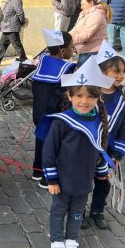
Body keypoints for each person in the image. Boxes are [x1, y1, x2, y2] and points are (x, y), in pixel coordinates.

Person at [36, 56, 115, 248]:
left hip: (83, 180)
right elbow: (49, 152)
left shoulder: (98, 122)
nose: (84, 101)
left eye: (90, 96)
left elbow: (99, 149)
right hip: (62, 180)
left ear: (97, 99)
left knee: (78, 211)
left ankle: (72, 240)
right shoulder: (61, 122)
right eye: (79, 95)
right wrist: (51, 180)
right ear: (70, 96)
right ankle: (56, 242)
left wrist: (101, 171)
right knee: (59, 211)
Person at [82, 41, 125, 229]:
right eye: (115, 71)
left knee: (103, 183)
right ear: (102, 72)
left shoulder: (123, 96)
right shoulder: (89, 93)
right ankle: (79, 211)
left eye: (122, 71)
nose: (120, 76)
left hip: (108, 151)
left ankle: (97, 211)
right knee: (84, 182)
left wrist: (118, 153)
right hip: (87, 148)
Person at [30, 30, 76, 189]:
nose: (73, 50)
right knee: (52, 144)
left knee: (40, 137)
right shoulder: (67, 67)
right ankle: (45, 177)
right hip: (55, 112)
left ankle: (36, 170)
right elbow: (69, 92)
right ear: (63, 51)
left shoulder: (42, 61)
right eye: (71, 47)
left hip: (38, 110)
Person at [69, 0, 111, 66]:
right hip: (85, 51)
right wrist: (65, 36)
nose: (81, 7)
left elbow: (86, 34)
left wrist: (69, 42)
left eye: (83, 4)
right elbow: (75, 29)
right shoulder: (84, 14)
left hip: (93, 52)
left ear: (91, 3)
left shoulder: (96, 14)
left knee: (83, 75)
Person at [0, 0, 27, 65]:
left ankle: (25, 61)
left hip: (11, 27)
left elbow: (20, 12)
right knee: (2, 44)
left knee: (17, 45)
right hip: (7, 27)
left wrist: (22, 22)